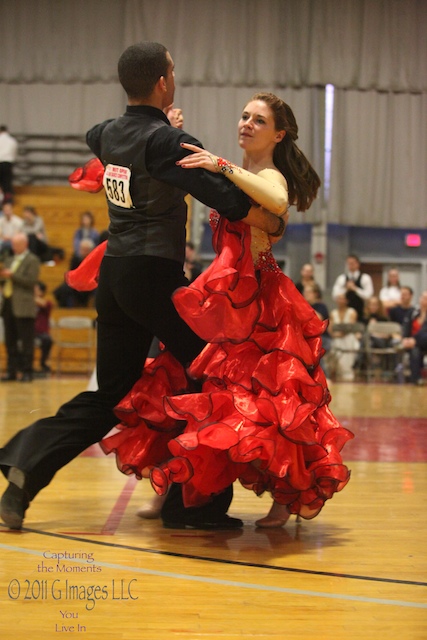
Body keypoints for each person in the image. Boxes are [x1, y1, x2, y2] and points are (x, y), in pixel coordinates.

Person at [0, 42, 284, 531]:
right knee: (215, 376)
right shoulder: (167, 143)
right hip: (154, 276)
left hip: (114, 278)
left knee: (110, 393)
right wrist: (272, 222)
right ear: (162, 83)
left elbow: (108, 136)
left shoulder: (107, 135)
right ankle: (190, 505)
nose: (174, 76)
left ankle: (22, 477)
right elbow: (226, 199)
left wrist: (160, 135)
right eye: (172, 70)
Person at [97, 92, 353, 529]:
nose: (247, 124)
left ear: (279, 133)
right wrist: (167, 126)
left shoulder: (269, 175)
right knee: (186, 388)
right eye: (244, 116)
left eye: (259, 120)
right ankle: (174, 486)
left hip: (262, 308)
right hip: (223, 305)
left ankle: (285, 497)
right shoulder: (236, 174)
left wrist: (220, 165)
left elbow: (274, 201)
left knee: (271, 406)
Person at [0, 233, 40, 382]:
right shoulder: (9, 260)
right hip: (8, 304)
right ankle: (11, 371)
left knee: (26, 341)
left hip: (24, 305)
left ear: (25, 244)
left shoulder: (33, 260)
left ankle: (27, 371)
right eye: (12, 244)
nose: (13, 247)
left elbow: (31, 281)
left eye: (16, 244)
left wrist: (12, 275)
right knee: (10, 340)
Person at [54, 238, 96, 308]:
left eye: (86, 250)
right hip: (77, 283)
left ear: (90, 251)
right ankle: (66, 309)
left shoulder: (94, 261)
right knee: (64, 289)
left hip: (90, 284)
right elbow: (71, 273)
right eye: (82, 249)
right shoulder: (75, 259)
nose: (84, 252)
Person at [332, 254, 374, 322]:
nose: (350, 265)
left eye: (353, 263)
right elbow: (335, 296)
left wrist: (355, 289)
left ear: (358, 264)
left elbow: (369, 296)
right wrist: (346, 289)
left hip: (361, 311)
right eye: (349, 263)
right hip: (344, 312)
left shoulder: (365, 278)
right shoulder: (341, 278)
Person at [329, 293, 361, 381]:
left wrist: (341, 334)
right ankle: (339, 372)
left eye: (342, 298)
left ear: (346, 301)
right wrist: (335, 335)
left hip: (348, 336)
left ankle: (348, 371)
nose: (340, 301)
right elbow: (330, 328)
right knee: (336, 343)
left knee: (349, 340)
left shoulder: (352, 312)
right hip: (336, 337)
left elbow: (350, 327)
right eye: (339, 298)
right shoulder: (333, 313)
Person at [401, 291, 427, 385]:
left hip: (423, 341)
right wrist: (405, 338)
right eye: (423, 297)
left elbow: (424, 332)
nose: (424, 300)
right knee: (415, 350)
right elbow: (406, 327)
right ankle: (416, 379)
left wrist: (414, 340)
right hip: (413, 344)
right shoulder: (412, 312)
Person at [34, 281, 53, 373]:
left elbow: (43, 304)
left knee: (47, 340)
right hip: (30, 332)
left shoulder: (48, 303)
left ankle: (43, 363)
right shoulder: (26, 304)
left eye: (36, 289)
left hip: (42, 332)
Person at [0, 126, 18, 202]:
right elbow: (14, 153)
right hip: (7, 163)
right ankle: (8, 199)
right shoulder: (12, 140)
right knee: (7, 181)